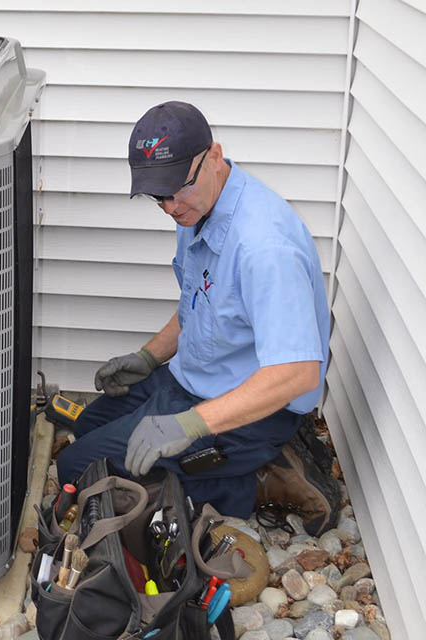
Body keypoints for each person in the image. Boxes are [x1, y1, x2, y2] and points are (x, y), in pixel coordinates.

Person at [55, 101, 337, 534]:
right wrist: (149, 358)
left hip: (252, 407)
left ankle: (261, 480)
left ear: (215, 157)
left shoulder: (265, 248)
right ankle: (230, 462)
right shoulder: (198, 206)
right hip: (195, 378)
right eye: (158, 196)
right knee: (87, 426)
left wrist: (191, 424)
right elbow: (201, 300)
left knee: (79, 468)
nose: (169, 206)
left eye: (176, 190)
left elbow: (298, 373)